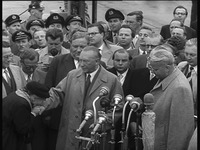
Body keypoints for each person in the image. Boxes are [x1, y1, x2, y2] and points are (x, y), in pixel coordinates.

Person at [38, 46, 124, 150]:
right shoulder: (72, 75)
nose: (81, 64)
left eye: (86, 61)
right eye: (80, 60)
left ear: (97, 61)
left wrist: (102, 124)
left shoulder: (112, 80)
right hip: (71, 131)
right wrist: (41, 104)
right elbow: (57, 94)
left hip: (95, 133)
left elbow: (117, 108)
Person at [148, 48, 194, 150]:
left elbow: (180, 131)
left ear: (167, 67)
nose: (153, 72)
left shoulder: (179, 88)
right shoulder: (167, 77)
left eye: (155, 70)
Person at [108, 48, 152, 150]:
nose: (120, 63)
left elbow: (140, 99)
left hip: (127, 121)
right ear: (112, 60)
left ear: (130, 61)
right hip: (111, 121)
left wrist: (132, 121)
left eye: (124, 61)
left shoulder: (139, 76)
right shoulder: (108, 74)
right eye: (117, 60)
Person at [2, 81, 50, 150]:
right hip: (8, 139)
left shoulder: (18, 95)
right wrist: (33, 114)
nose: (43, 103)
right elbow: (23, 129)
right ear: (34, 97)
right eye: (42, 100)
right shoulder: (21, 104)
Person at [177, 38, 197, 126]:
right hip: (180, 117)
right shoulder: (181, 67)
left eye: (192, 55)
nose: (188, 57)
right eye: (186, 54)